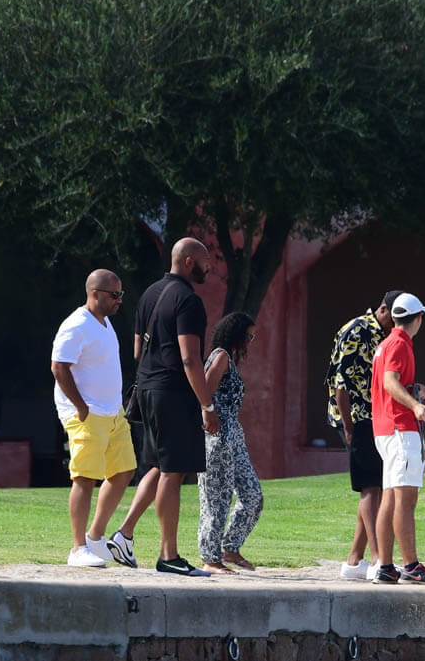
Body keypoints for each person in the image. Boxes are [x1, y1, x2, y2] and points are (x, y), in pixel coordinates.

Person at [106, 238, 220, 576]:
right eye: (205, 261)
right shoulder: (188, 300)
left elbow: (137, 350)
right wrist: (207, 404)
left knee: (158, 466)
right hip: (173, 393)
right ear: (188, 261)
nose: (209, 267)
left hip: (146, 389)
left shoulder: (149, 294)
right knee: (173, 471)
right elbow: (190, 358)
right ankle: (168, 555)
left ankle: (124, 534)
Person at [50, 269, 137, 567]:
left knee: (124, 471)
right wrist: (80, 406)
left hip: (112, 412)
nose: (119, 300)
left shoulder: (105, 322)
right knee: (85, 478)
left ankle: (95, 538)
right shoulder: (77, 324)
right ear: (95, 294)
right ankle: (77, 549)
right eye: (114, 295)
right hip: (86, 414)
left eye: (121, 294)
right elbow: (59, 366)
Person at [370, 292, 425, 585]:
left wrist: (414, 390)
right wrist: (415, 405)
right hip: (400, 429)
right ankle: (411, 566)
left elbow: (391, 382)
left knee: (390, 498)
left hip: (385, 429)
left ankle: (386, 567)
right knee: (405, 499)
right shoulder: (401, 344)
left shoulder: (385, 343)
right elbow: (390, 382)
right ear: (418, 319)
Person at [326, 290, 402, 580]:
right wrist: (348, 427)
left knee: (376, 486)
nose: (398, 325)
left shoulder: (384, 334)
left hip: (374, 417)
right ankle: (378, 557)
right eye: (396, 318)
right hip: (357, 419)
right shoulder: (357, 330)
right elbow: (341, 384)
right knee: (371, 487)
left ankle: (354, 560)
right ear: (384, 310)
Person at [198, 312, 264, 573]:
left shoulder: (228, 359)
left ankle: (230, 548)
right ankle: (210, 558)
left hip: (234, 434)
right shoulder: (221, 356)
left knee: (252, 494)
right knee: (217, 499)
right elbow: (204, 390)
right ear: (235, 333)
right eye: (248, 336)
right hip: (218, 435)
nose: (249, 341)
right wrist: (208, 413)